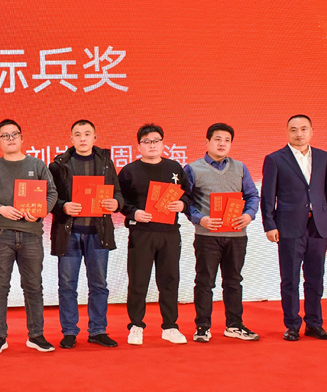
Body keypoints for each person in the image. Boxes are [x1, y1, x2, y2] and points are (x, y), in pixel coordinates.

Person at [0, 119, 58, 354]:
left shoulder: (37, 165)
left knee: (33, 286)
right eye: (5, 135)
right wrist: (0, 209)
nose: (10, 139)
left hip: (31, 235)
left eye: (14, 134)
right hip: (1, 235)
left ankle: (36, 335)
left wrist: (40, 211)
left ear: (22, 138)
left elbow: (52, 193)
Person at [261, 115, 327, 341]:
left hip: (319, 226)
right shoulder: (275, 159)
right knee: (290, 278)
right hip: (288, 227)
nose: (299, 134)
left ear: (312, 131)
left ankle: (314, 324)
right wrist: (270, 225)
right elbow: (267, 197)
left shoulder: (324, 157)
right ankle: (292, 325)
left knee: (315, 277)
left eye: (304, 129)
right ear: (287, 132)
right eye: (294, 129)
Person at [48, 119, 124, 349]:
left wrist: (116, 203)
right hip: (69, 233)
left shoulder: (106, 162)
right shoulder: (58, 165)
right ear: (70, 138)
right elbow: (49, 198)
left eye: (87, 134)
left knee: (99, 284)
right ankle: (69, 331)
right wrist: (63, 206)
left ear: (95, 137)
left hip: (98, 232)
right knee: (67, 285)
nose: (83, 138)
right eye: (78, 134)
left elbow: (118, 194)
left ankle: (98, 330)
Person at [184, 123, 261, 343]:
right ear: (207, 142)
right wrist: (200, 219)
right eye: (217, 139)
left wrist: (249, 215)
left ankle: (234, 326)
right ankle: (202, 327)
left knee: (234, 281)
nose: (222, 144)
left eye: (227, 140)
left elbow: (252, 196)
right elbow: (185, 200)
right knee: (205, 282)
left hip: (237, 235)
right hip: (207, 236)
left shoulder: (240, 168)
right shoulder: (193, 168)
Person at [117, 123, 192, 346]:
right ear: (138, 146)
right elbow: (119, 200)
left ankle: (170, 326)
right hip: (142, 232)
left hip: (169, 233)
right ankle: (136, 325)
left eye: (156, 141)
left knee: (169, 280)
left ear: (163, 143)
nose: (152, 145)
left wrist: (182, 204)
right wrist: (134, 212)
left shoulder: (174, 167)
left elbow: (188, 194)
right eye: (147, 141)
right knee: (138, 280)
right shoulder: (129, 171)